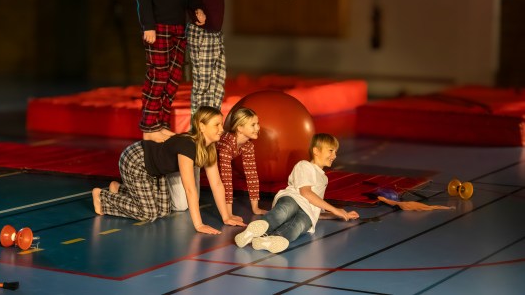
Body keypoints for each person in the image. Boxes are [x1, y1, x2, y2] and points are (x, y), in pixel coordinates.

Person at [92, 106, 246, 234]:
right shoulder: (188, 146)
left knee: (164, 209)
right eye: (217, 125)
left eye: (221, 124)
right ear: (202, 126)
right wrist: (199, 225)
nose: (221, 129)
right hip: (136, 160)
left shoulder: (209, 147)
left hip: (156, 170)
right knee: (148, 213)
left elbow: (217, 184)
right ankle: (103, 197)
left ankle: (120, 189)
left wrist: (226, 216)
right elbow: (189, 189)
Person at [136, 0, 206, 143]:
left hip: (178, 27)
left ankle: (162, 123)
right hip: (159, 27)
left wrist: (196, 8)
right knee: (158, 77)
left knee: (173, 79)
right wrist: (148, 25)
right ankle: (149, 126)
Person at [234, 133, 359, 253]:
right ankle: (259, 227)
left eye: (335, 152)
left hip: (308, 211)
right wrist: (335, 209)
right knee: (286, 209)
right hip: (294, 199)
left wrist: (339, 214)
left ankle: (268, 240)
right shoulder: (304, 165)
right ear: (316, 151)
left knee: (299, 226)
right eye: (331, 150)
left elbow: (316, 209)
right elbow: (306, 193)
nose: (334, 155)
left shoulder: (324, 179)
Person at [187, 0, 243, 115]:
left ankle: (212, 120)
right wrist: (197, 11)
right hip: (201, 35)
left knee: (217, 82)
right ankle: (198, 124)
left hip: (216, 36)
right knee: (203, 84)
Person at [216, 107, 266, 219]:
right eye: (253, 125)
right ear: (240, 128)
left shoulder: (248, 145)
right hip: (197, 159)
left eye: (257, 123)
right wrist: (229, 214)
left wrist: (256, 209)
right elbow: (226, 179)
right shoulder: (226, 144)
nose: (258, 128)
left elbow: (252, 175)